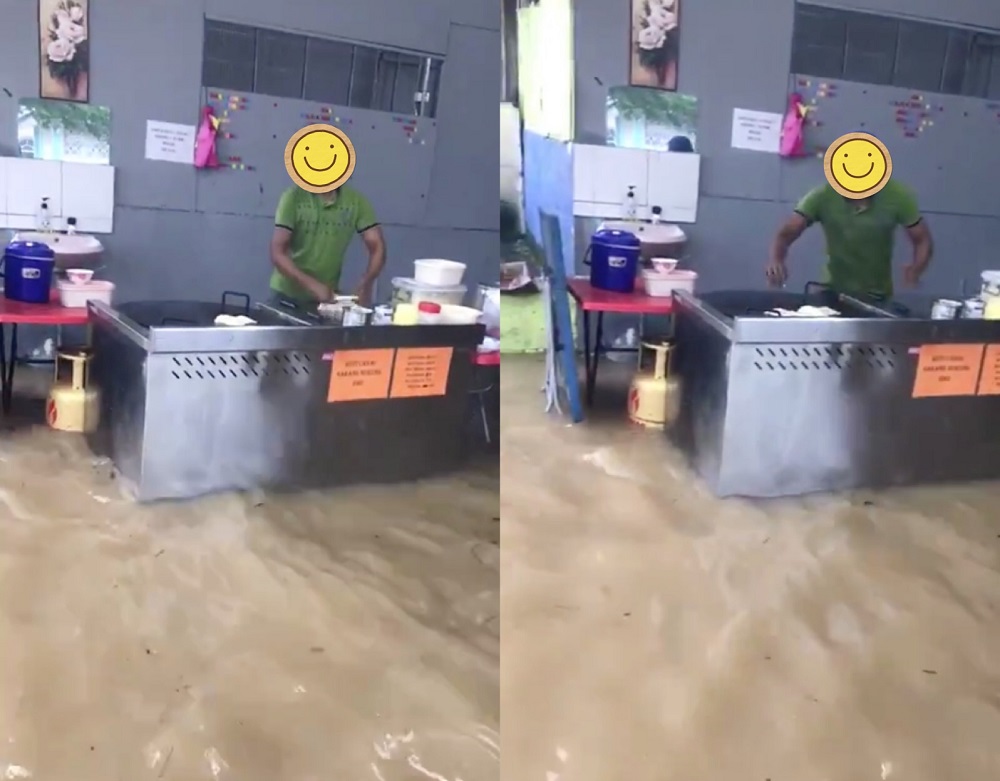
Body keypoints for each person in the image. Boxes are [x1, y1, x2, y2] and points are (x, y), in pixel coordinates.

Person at [766, 178, 933, 298]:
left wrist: (915, 270)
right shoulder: (823, 195)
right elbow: (787, 232)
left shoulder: (897, 196)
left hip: (878, 294)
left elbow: (922, 239)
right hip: (833, 290)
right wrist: (776, 260)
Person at [268, 185, 386, 305]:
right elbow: (277, 253)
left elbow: (377, 246)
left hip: (326, 298)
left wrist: (367, 282)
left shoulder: (356, 201)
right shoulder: (293, 197)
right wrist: (312, 285)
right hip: (286, 295)